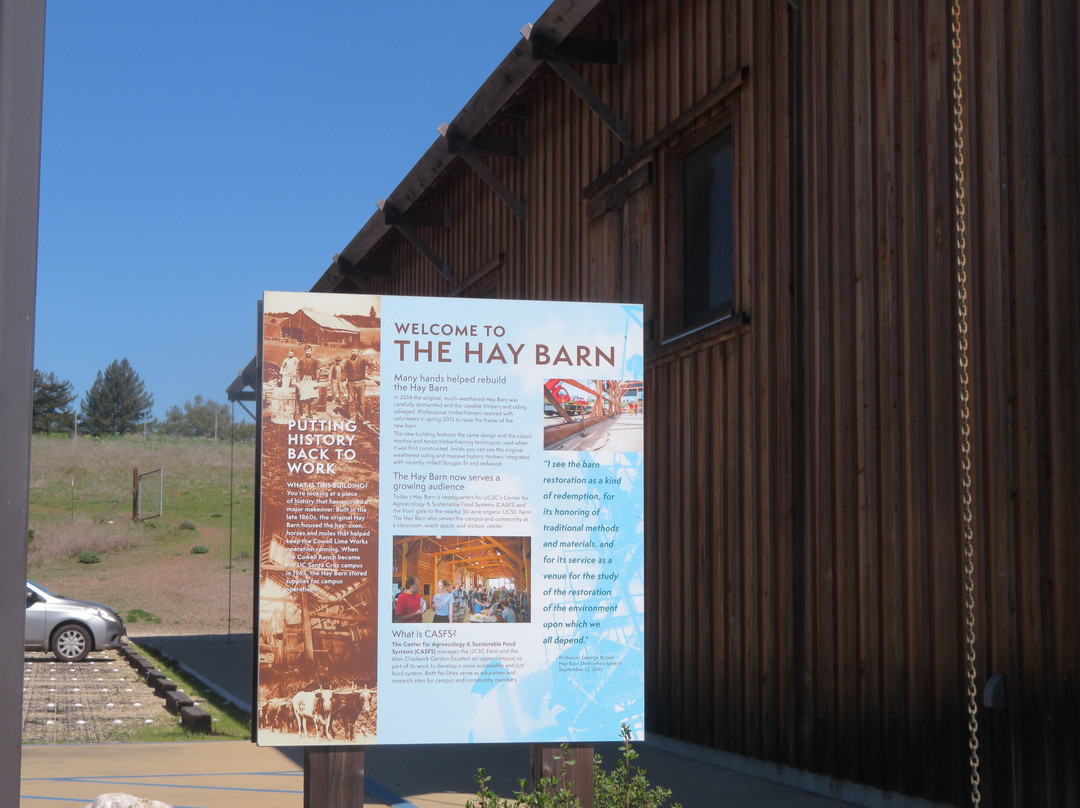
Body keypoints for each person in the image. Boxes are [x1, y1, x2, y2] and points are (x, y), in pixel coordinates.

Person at [342, 347, 368, 420]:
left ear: (358, 352)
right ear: (351, 352)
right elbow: (344, 371)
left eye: (355, 351)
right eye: (352, 351)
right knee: (351, 401)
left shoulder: (363, 360)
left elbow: (371, 365)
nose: (354, 353)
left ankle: (361, 418)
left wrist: (368, 373)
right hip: (351, 383)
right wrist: (343, 380)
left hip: (361, 383)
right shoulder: (347, 361)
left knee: (362, 401)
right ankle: (352, 417)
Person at [297, 346, 319, 417]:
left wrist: (316, 380)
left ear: (311, 351)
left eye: (309, 351)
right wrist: (298, 380)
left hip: (312, 379)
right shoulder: (301, 360)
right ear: (304, 351)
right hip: (304, 379)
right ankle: (305, 413)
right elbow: (297, 370)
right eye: (306, 351)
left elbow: (318, 370)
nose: (308, 352)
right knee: (304, 397)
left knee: (313, 397)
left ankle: (313, 414)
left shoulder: (315, 360)